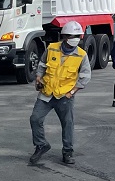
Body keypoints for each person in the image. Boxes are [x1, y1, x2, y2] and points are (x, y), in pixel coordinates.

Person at [28, 20, 91, 165]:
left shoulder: (81, 55)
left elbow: (85, 76)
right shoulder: (52, 49)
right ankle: (41, 145)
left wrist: (72, 92)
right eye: (71, 35)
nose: (74, 38)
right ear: (64, 36)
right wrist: (38, 78)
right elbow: (42, 65)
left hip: (65, 95)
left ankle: (68, 152)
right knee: (35, 119)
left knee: (67, 124)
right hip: (47, 92)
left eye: (77, 35)